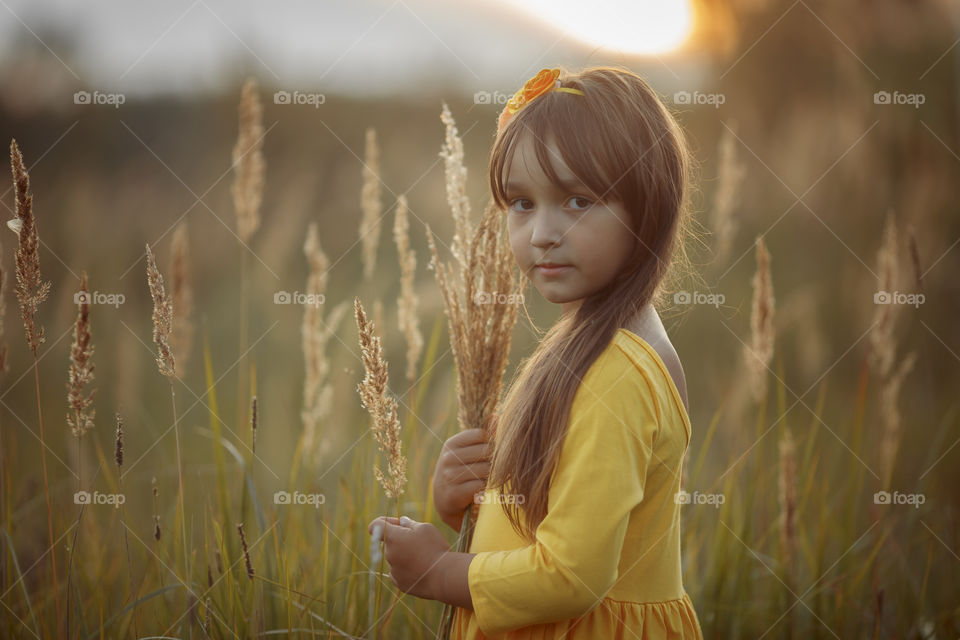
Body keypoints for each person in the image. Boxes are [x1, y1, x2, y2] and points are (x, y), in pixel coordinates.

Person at [368, 65, 705, 638]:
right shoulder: (591, 344)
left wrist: (439, 572)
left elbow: (573, 573)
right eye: (521, 204)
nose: (543, 232)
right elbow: (558, 519)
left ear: (647, 207)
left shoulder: (616, 372)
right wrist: (464, 504)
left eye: (577, 199)